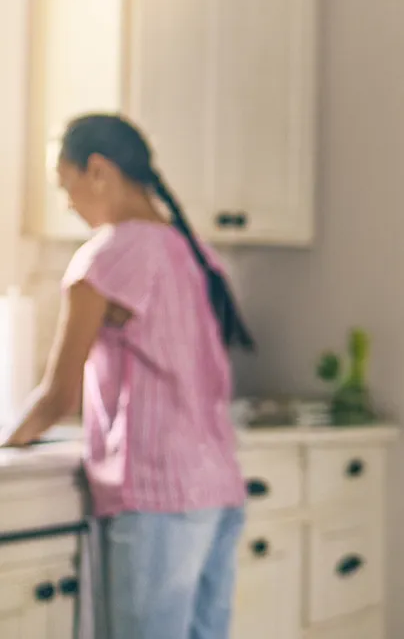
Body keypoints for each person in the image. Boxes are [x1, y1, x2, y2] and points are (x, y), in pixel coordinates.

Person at [1, 113, 255, 639]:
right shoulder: (194, 252)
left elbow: (57, 396)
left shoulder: (108, 257)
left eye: (64, 184)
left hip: (158, 495)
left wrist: (8, 438)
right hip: (217, 486)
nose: (67, 202)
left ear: (97, 170)